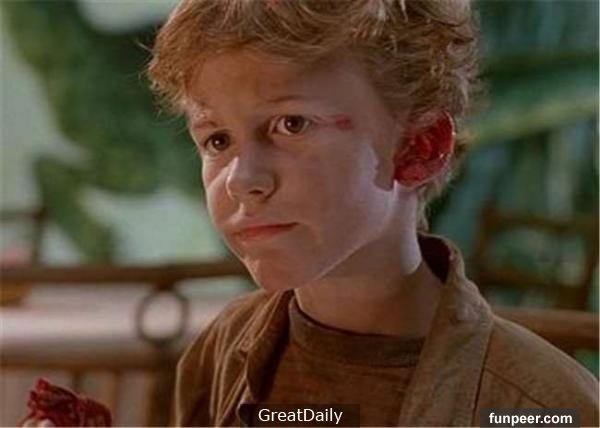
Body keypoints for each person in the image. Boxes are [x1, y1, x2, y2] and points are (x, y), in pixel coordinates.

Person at [146, 1, 599, 426]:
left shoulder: (541, 405)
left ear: (419, 147)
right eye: (218, 140)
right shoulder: (222, 349)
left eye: (292, 124)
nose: (241, 180)